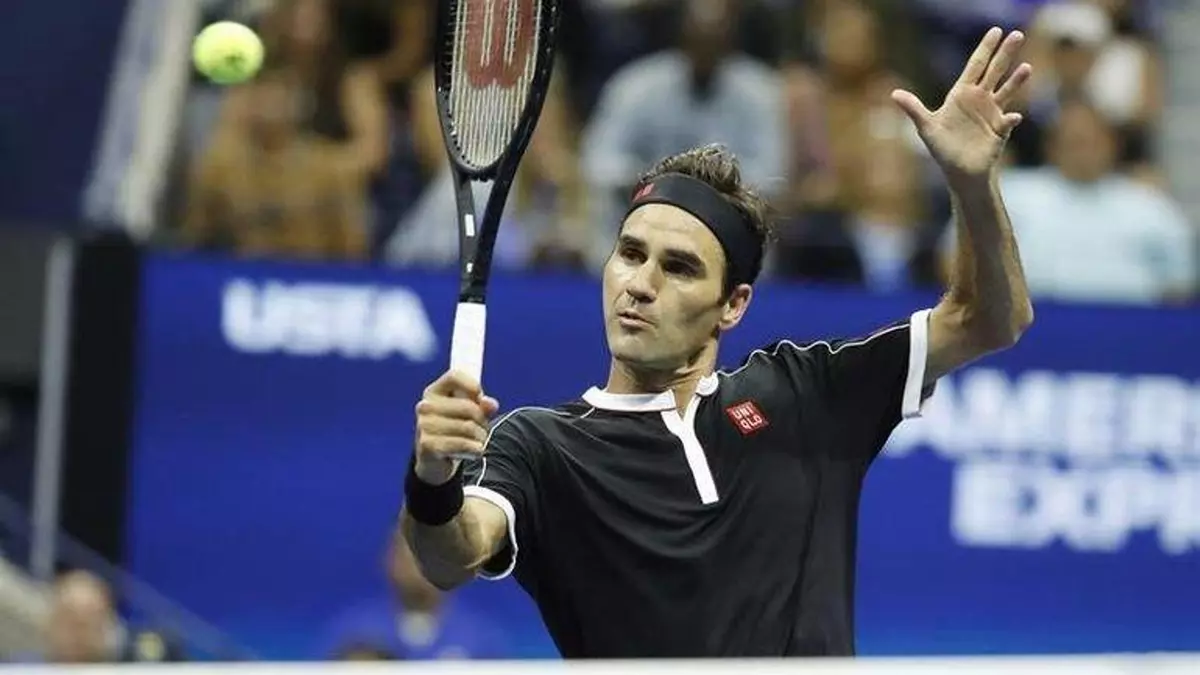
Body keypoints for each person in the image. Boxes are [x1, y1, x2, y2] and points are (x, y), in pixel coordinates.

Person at [399, 28, 1036, 658]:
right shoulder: (540, 447)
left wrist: (971, 183)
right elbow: (450, 555)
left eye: (678, 268)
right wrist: (432, 477)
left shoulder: (806, 394)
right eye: (630, 254)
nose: (640, 284)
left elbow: (988, 320)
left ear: (733, 305)